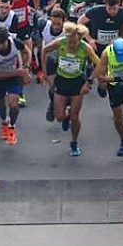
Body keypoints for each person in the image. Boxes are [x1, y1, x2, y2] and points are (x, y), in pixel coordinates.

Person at [42, 22, 100, 156]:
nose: (72, 46)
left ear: (79, 39)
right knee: (59, 117)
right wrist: (44, 73)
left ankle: (74, 142)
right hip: (61, 81)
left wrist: (89, 82)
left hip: (77, 83)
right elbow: (44, 50)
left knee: (75, 117)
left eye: (74, 43)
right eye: (69, 43)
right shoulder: (60, 42)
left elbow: (99, 64)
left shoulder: (85, 48)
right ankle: (65, 117)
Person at [0, 25, 32, 145]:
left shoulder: (15, 43)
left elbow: (27, 51)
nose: (0, 46)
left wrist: (26, 67)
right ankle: (4, 122)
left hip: (14, 78)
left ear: (7, 39)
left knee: (13, 103)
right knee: (0, 105)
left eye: (2, 43)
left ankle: (11, 127)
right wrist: (18, 72)